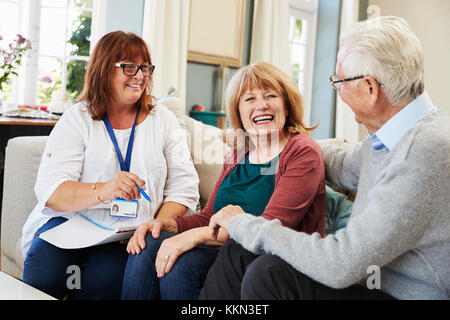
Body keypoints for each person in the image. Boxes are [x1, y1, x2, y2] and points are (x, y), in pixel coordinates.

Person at [200, 16, 450, 300]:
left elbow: (342, 263)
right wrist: (286, 143)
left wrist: (242, 222)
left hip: (395, 293)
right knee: (244, 254)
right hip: (369, 280)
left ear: (370, 88)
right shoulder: (391, 138)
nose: (338, 91)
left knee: (267, 274)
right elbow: (342, 164)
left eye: (339, 82)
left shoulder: (418, 155)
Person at [121, 61, 327, 300]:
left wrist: (193, 236)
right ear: (238, 111)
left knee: (182, 265)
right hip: (228, 250)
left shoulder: (301, 151)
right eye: (249, 99)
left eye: (271, 95)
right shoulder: (239, 152)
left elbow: (271, 230)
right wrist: (169, 225)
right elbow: (209, 216)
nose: (262, 105)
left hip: (274, 261)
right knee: (149, 242)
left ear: (287, 104)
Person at [21, 31, 199, 300]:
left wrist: (155, 225)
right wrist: (104, 190)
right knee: (44, 270)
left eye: (144, 68)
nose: (139, 75)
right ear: (104, 69)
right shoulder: (77, 118)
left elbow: (183, 189)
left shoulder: (162, 120)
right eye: (129, 67)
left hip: (126, 235)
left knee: (103, 284)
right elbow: (52, 191)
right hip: (70, 225)